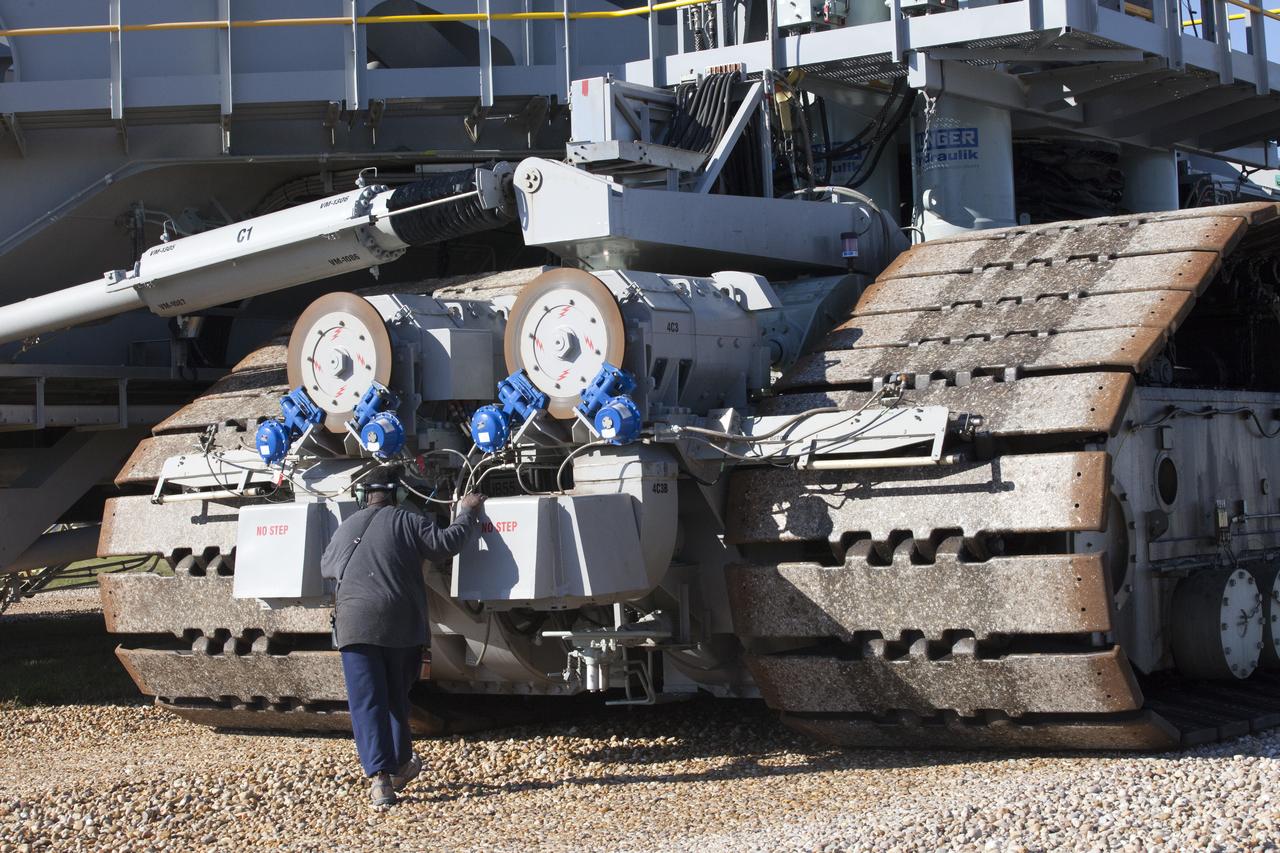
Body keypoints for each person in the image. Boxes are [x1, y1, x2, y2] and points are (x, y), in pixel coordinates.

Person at [320, 467, 485, 807]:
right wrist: (466, 512)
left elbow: (327, 567)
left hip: (355, 626)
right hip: (401, 624)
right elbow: (445, 544)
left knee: (368, 702)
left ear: (364, 497)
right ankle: (398, 765)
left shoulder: (347, 527)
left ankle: (382, 780)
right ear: (397, 495)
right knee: (396, 696)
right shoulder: (408, 521)